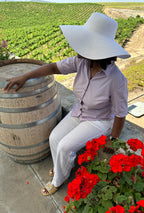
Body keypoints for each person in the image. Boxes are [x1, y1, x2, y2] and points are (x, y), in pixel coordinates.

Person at [4, 12, 130, 196]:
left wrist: (113, 138)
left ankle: (58, 180)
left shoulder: (116, 79)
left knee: (64, 146)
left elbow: (120, 113)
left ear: (98, 49)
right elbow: (54, 67)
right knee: (54, 138)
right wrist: (25, 76)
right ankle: (62, 168)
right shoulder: (81, 63)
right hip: (78, 112)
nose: (79, 48)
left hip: (98, 120)